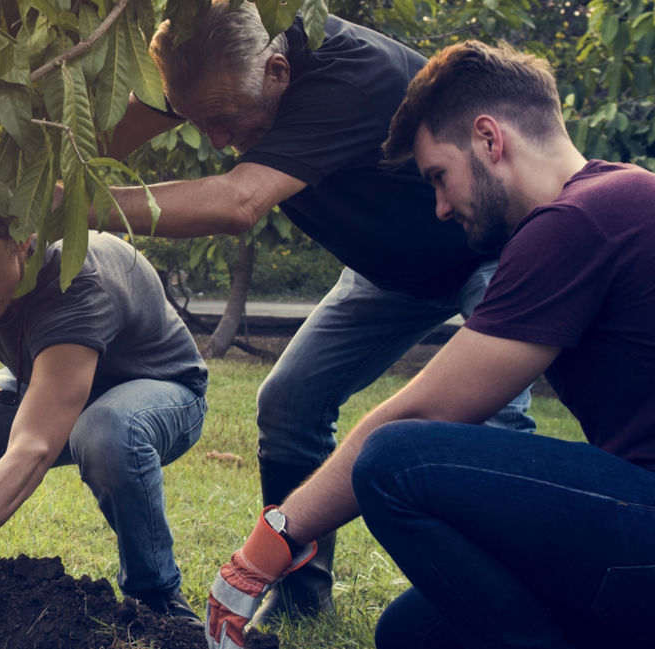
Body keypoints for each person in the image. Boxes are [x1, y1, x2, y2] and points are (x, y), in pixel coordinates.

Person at [207, 40, 655, 649]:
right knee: (415, 633)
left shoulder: (579, 220)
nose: (437, 208)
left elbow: (424, 411)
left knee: (394, 460)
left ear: (490, 140)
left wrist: (267, 545)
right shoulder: (609, 201)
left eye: (439, 177)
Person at [93, 1, 535, 621]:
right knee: (288, 403)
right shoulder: (211, 61)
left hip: (487, 249)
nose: (215, 139)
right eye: (197, 121)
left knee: (492, 425)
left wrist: (72, 205)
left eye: (225, 120)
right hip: (390, 274)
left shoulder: (346, 75)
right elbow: (98, 139)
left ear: (278, 72)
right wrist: (26, 180)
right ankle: (301, 595)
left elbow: (239, 200)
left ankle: (521, 600)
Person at [0, 186, 210, 644]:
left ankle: (157, 599)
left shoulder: (77, 275)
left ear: (25, 242)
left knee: (106, 431)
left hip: (156, 389)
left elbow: (35, 445)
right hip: (40, 380)